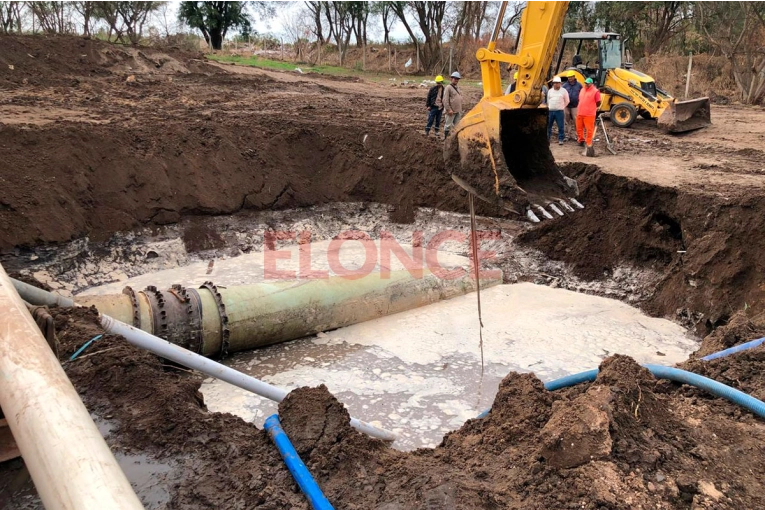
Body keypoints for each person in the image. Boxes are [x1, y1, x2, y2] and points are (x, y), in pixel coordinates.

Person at [576, 77, 602, 157]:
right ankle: (581, 140)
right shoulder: (582, 89)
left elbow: (598, 102)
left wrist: (592, 108)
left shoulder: (595, 91)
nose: (586, 84)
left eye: (587, 83)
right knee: (579, 128)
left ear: (591, 83)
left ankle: (588, 143)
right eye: (585, 83)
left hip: (589, 114)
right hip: (580, 112)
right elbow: (579, 99)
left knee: (589, 129)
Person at [546, 76, 569, 145]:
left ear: (560, 83)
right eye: (555, 83)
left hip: (559, 111)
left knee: (560, 126)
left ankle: (561, 139)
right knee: (549, 126)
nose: (556, 84)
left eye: (557, 83)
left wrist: (562, 107)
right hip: (551, 111)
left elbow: (567, 101)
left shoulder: (564, 91)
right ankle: (548, 139)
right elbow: (548, 100)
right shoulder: (550, 91)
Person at [562, 71, 582, 141]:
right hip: (566, 106)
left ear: (574, 77)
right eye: (568, 77)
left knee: (576, 120)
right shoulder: (564, 86)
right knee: (567, 120)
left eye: (571, 77)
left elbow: (582, 94)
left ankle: (578, 135)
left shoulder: (579, 85)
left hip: (575, 106)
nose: (570, 78)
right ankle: (568, 135)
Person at [443, 71, 463, 139]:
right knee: (448, 126)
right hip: (451, 111)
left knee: (457, 126)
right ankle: (446, 139)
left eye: (457, 79)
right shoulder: (448, 87)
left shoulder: (457, 88)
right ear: (451, 79)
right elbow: (445, 100)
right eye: (455, 78)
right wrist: (449, 109)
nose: (456, 80)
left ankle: (454, 140)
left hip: (458, 110)